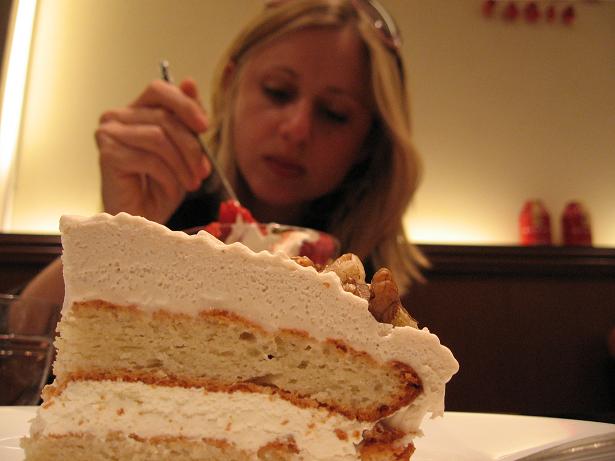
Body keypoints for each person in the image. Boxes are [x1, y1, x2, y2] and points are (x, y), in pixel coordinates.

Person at [21, 0, 427, 308]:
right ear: (231, 86)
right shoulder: (169, 208)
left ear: (367, 143)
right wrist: (116, 231)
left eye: (334, 113)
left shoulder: (366, 279)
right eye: (278, 91)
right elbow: (22, 353)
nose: (297, 129)